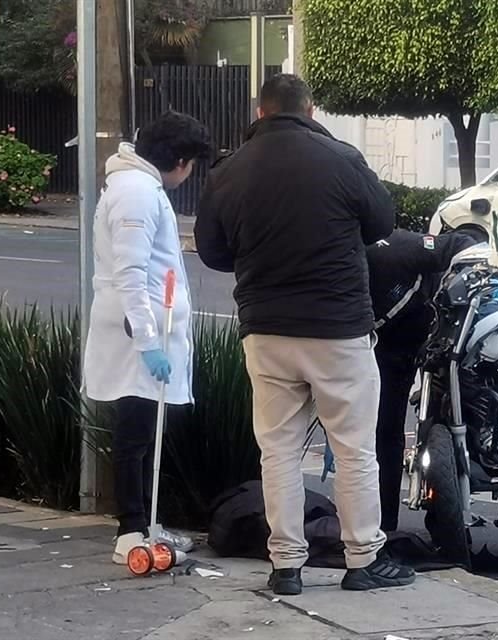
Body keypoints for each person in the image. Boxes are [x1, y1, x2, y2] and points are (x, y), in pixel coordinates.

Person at [194, 73, 415, 596]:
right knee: (356, 449)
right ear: (310, 111)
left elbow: (213, 252)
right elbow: (382, 224)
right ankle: (362, 559)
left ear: (260, 111)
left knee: (279, 452)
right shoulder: (341, 158)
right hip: (338, 330)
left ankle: (286, 565)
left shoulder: (229, 171)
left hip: (266, 331)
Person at [82, 111, 211, 564]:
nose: (190, 172)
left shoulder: (138, 188)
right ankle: (130, 530)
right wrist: (148, 342)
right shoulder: (136, 193)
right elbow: (131, 274)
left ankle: (142, 523)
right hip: (137, 334)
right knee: (136, 435)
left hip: (143, 328)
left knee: (142, 433)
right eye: (191, 162)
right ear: (178, 159)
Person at [365, 229, 479, 532]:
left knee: (436, 414)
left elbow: (460, 243)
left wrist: (460, 280)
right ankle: (383, 523)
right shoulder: (332, 263)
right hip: (377, 347)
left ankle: (410, 516)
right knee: (382, 432)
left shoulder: (396, 249)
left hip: (429, 330)